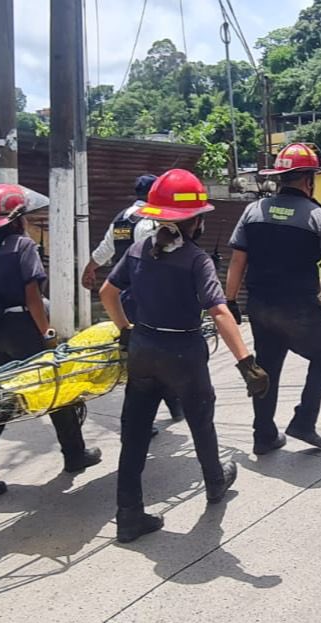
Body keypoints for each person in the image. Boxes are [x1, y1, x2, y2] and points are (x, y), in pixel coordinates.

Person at [100, 169, 270, 542]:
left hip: (142, 349)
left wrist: (126, 330)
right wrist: (247, 363)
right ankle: (214, 482)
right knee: (200, 419)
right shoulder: (196, 259)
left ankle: (128, 516)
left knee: (135, 435)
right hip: (182, 353)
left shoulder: (137, 249)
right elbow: (220, 310)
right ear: (195, 221)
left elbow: (107, 294)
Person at [225, 143, 321, 455]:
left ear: (280, 178)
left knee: (268, 368)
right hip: (300, 308)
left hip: (260, 306)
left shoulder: (253, 212)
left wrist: (230, 302)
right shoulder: (319, 217)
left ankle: (263, 435)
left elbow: (237, 261)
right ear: (309, 180)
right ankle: (304, 421)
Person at [0, 184, 102, 500]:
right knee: (57, 389)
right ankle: (74, 453)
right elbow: (32, 296)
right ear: (16, 219)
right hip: (24, 327)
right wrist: (47, 334)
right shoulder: (22, 246)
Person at [81, 174, 182, 423]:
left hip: (124, 298)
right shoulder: (150, 222)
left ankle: (174, 406)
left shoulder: (122, 219)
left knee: (145, 356)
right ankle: (141, 420)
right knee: (152, 358)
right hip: (146, 298)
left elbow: (106, 249)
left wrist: (89, 268)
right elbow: (158, 258)